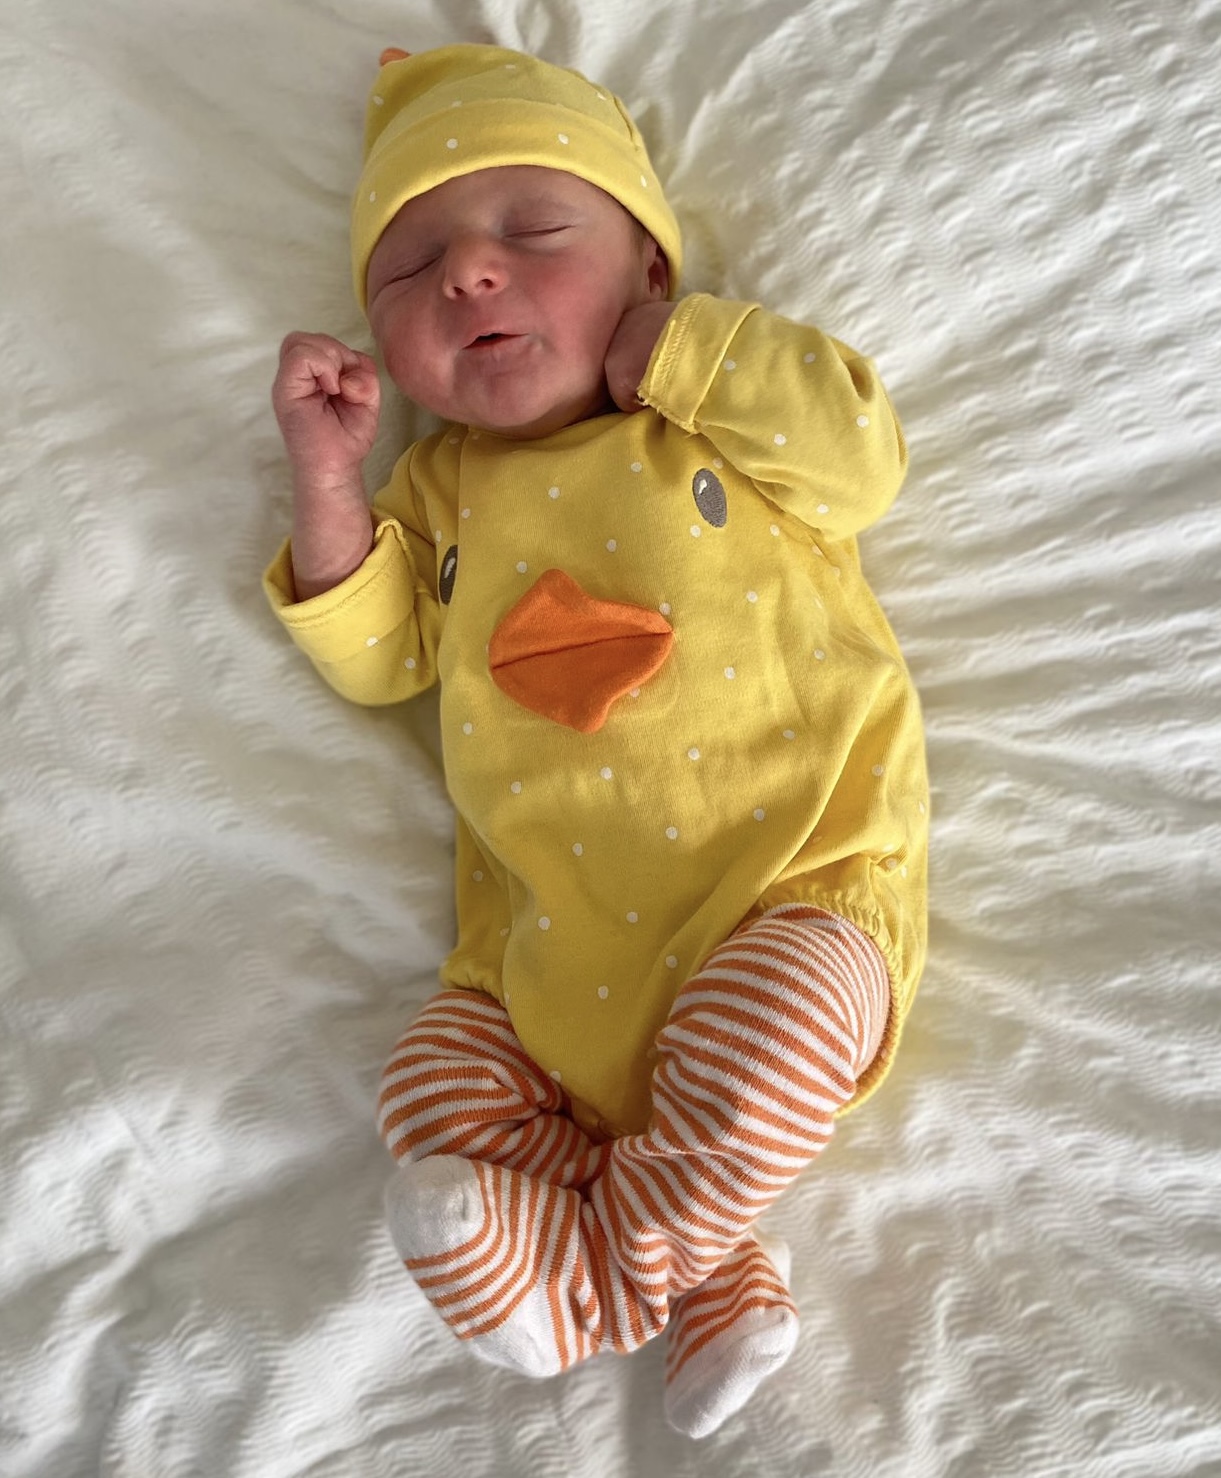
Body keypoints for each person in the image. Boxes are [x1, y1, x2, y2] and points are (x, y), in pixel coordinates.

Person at [266, 42, 928, 1439]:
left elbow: (862, 459)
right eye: (410, 267)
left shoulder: (709, 418)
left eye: (533, 229)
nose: (469, 271)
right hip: (544, 976)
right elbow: (382, 658)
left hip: (792, 895)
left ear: (648, 268)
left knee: (769, 1039)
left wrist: (690, 349)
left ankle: (606, 1284)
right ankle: (708, 1261)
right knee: (427, 1088)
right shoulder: (440, 487)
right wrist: (327, 480)